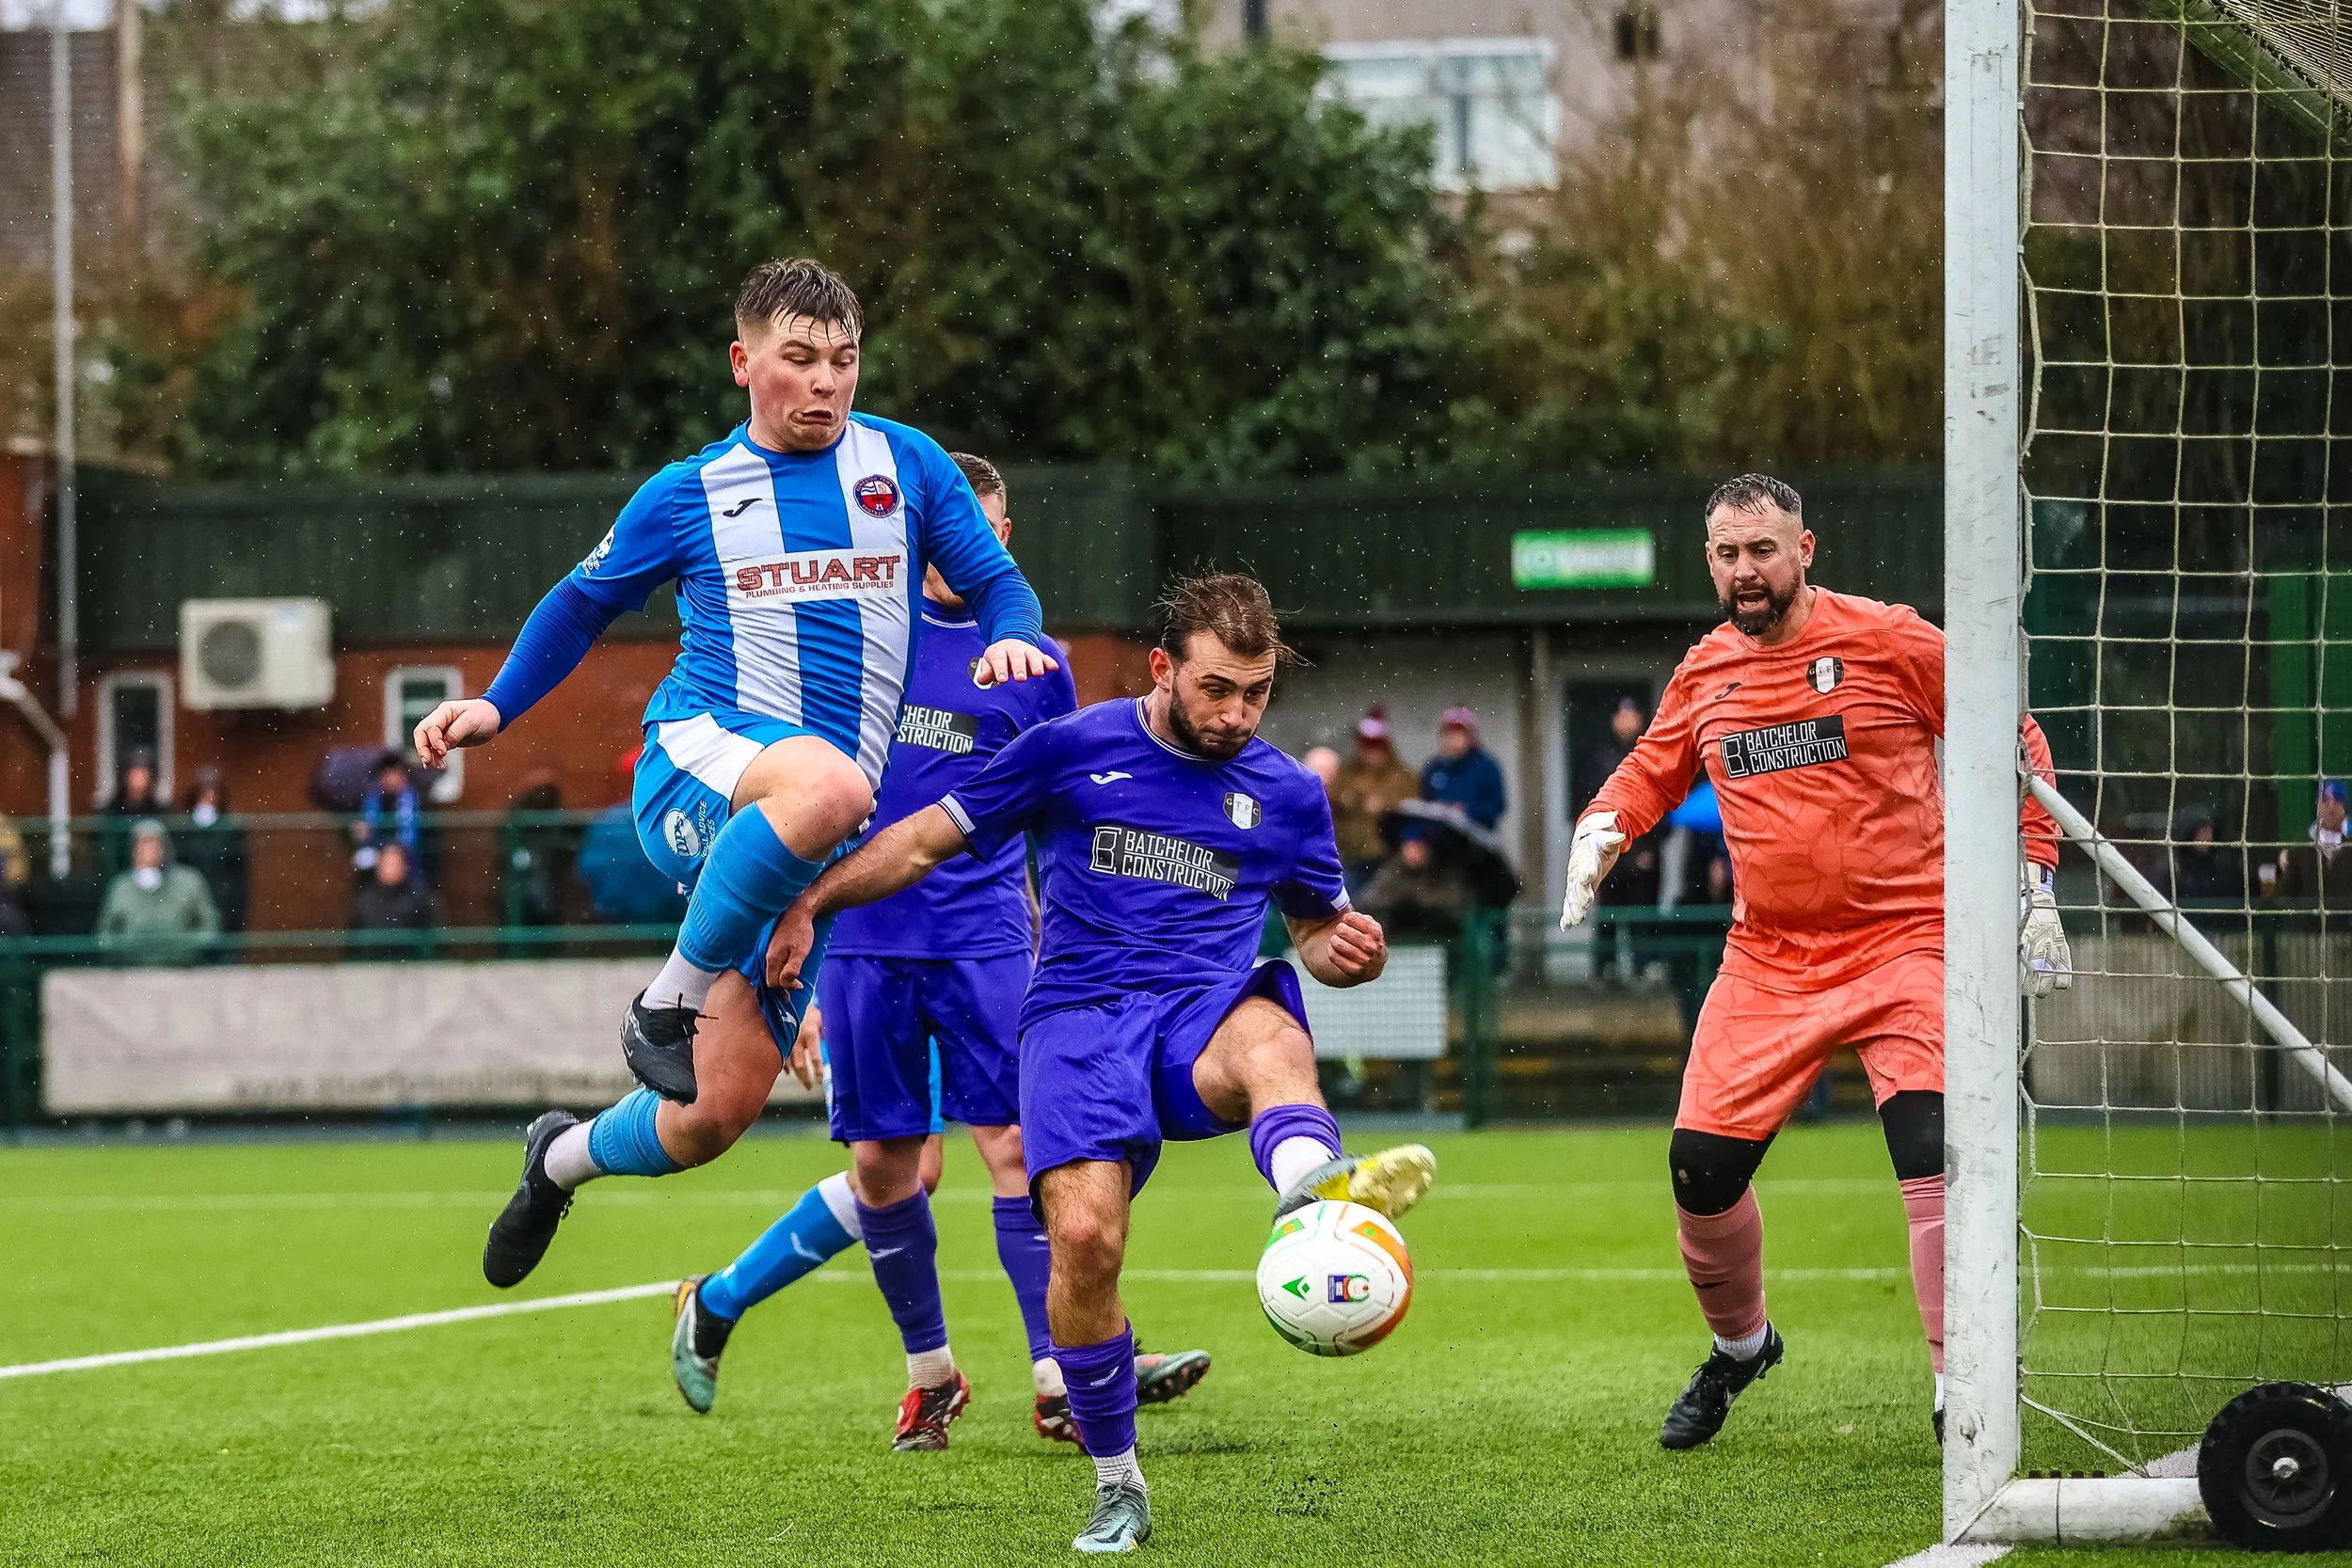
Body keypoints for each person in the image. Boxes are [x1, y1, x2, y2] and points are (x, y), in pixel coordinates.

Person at [763, 571, 1436, 1553]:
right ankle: (1117, 1480)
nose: (1237, 712)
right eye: (1216, 688)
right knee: (1083, 1241)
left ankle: (1312, 1197)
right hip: (1076, 1024)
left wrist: (1344, 950)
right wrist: (811, 900)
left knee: (1272, 1028)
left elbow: (1314, 931)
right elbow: (917, 842)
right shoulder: (1070, 748)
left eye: (1255, 693)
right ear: (1163, 667)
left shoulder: (1287, 792)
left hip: (1198, 1016)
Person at [429, 260, 1054, 1293]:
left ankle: (556, 1158)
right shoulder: (690, 493)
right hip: (699, 762)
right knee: (836, 788)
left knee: (711, 1116)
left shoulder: (907, 466)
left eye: (843, 362)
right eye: (799, 360)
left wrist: (1013, 637)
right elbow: (581, 603)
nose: (824, 383)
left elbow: (993, 579)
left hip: (809, 825)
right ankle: (663, 1003)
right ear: (743, 362)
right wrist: (494, 703)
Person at [670, 454, 1206, 1449]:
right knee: (886, 1164)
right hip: (864, 942)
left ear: (1002, 540)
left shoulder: (1036, 663)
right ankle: (929, 1375)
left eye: (989, 532)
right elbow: (787, 809)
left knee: (1022, 1150)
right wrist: (792, 957)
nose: (970, 546)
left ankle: (1059, 1373)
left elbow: (1067, 808)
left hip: (989, 937)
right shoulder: (855, 644)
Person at [1557, 473, 2072, 1449]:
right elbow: (1651, 768)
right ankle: (1741, 1345)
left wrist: (2032, 875)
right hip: (1770, 959)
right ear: (1706, 559)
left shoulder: (1888, 638)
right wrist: (1602, 826)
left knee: (1931, 1152)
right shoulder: (1705, 669)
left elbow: (2012, 732)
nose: (1742, 571)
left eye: (1761, 550)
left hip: (1910, 938)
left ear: (1806, 548)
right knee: (1699, 1171)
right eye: (1724, 552)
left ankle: (1956, 1384)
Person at [96, 820, 219, 965]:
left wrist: (187, 948)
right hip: (132, 975)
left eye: (154, 843)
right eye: (143, 843)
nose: (148, 850)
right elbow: (104, 934)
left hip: (182, 973)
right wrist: (123, 951)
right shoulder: (120, 887)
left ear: (165, 847)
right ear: (133, 849)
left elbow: (210, 925)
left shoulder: (189, 881)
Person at [1328, 708, 1418, 886]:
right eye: (1366, 747)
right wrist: (1353, 799)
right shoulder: (1347, 772)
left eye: (1376, 747)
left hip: (1385, 857)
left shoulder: (1402, 776)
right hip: (1348, 855)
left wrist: (1385, 805)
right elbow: (1332, 798)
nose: (1371, 754)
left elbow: (1412, 808)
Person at [1592, 698, 1663, 907]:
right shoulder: (1601, 758)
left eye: (1632, 715)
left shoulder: (1650, 754)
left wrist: (1650, 848)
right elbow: (1591, 804)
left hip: (1645, 857)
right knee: (1607, 924)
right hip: (1610, 857)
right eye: (1622, 715)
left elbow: (1664, 804)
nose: (1627, 721)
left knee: (1643, 925)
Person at [177, 768, 250, 935]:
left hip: (222, 900)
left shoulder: (232, 830)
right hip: (191, 902)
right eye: (203, 793)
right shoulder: (183, 830)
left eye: (213, 793)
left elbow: (240, 877)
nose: (208, 799)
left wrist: (236, 913)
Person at [2275, 780, 2352, 906]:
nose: (2331, 806)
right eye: (2325, 800)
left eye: (2337, 799)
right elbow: (2286, 896)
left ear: (2344, 806)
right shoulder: (2303, 846)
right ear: (2318, 805)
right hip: (2312, 923)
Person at [354, 753, 422, 883]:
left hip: (406, 856)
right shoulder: (373, 796)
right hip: (377, 851)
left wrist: (394, 852)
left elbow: (410, 835)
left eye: (395, 774)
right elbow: (366, 826)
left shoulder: (410, 796)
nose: (392, 778)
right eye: (388, 774)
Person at [350, 843, 437, 937]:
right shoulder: (364, 901)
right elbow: (350, 939)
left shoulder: (417, 901)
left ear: (404, 867)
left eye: (395, 864)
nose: (390, 869)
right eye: (387, 864)